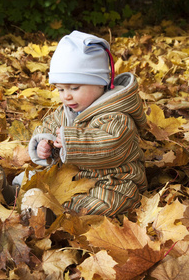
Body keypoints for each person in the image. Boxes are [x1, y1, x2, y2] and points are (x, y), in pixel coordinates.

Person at [24, 30, 148, 218]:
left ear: (100, 83)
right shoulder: (69, 109)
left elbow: (109, 146)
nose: (66, 95)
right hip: (74, 176)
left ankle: (52, 213)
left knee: (108, 203)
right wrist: (45, 142)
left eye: (74, 88)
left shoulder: (117, 115)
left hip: (112, 179)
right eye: (61, 89)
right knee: (38, 178)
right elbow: (49, 124)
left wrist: (70, 141)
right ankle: (15, 191)